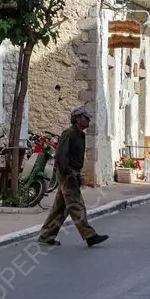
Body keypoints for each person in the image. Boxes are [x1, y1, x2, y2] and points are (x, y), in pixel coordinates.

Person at [37, 106, 108, 248]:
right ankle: (89, 235)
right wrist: (69, 173)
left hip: (73, 173)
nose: (88, 120)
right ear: (77, 119)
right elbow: (61, 155)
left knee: (61, 208)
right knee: (77, 205)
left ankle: (46, 235)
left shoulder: (80, 135)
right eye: (85, 117)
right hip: (67, 174)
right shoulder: (68, 134)